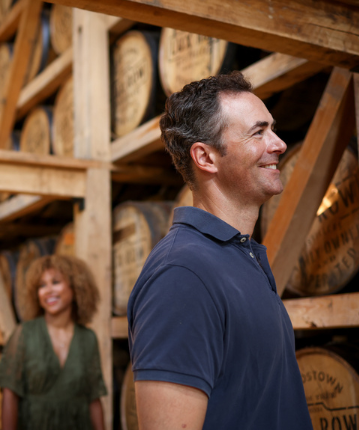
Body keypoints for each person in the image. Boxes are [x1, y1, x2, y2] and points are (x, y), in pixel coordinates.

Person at [127, 72, 312, 429]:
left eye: (272, 129)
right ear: (206, 158)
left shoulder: (239, 256)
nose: (279, 144)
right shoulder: (181, 275)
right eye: (258, 133)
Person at [0, 254, 106, 430]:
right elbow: (9, 394)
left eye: (56, 282)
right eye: (42, 285)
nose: (48, 290)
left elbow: (94, 398)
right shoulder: (24, 333)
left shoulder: (88, 338)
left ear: (76, 287)